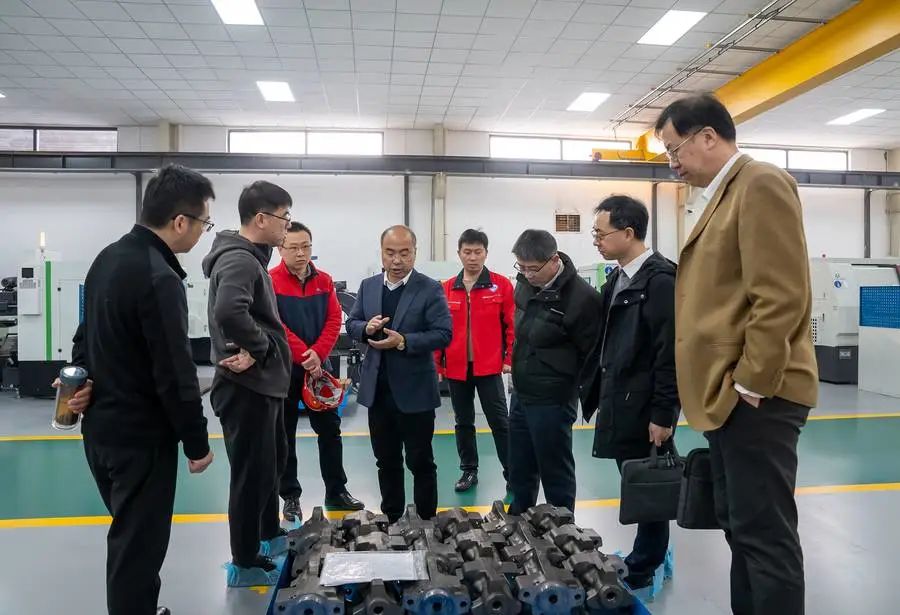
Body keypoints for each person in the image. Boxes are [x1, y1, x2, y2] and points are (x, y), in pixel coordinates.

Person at [655, 93, 818, 615]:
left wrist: (750, 382)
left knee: (765, 535)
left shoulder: (760, 183)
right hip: (729, 396)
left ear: (708, 136)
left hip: (758, 396)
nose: (673, 163)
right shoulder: (720, 196)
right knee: (740, 527)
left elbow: (781, 296)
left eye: (674, 149)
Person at [66, 164, 215, 615]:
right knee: (137, 549)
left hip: (100, 432)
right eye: (204, 223)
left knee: (134, 537)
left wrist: (79, 378)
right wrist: (196, 441)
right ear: (180, 222)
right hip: (140, 439)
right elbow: (175, 371)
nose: (202, 233)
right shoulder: (160, 277)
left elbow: (83, 336)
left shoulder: (107, 258)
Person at [580, 195, 678, 590]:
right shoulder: (618, 279)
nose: (596, 241)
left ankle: (643, 567)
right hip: (619, 397)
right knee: (636, 480)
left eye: (601, 234)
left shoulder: (660, 282)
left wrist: (663, 413)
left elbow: (670, 352)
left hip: (644, 404)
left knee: (648, 486)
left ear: (628, 232)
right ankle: (649, 553)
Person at [202, 180, 293, 587]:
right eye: (284, 217)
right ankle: (244, 560)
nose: (287, 225)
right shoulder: (240, 260)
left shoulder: (251, 258)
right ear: (261, 218)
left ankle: (268, 534)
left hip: (262, 385)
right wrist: (260, 346)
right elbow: (229, 311)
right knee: (250, 476)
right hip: (246, 388)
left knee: (269, 466)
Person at [345, 225, 452, 523]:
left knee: (421, 462)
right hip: (378, 392)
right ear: (381, 253)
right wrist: (365, 328)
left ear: (415, 253)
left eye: (405, 253)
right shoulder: (368, 286)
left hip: (415, 393)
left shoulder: (429, 288)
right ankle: (392, 518)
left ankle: (426, 521)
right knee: (386, 461)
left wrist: (404, 341)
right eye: (390, 253)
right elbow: (351, 324)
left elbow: (443, 333)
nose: (397, 260)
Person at [270, 222, 365, 517]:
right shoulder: (270, 281)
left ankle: (336, 491)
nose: (301, 253)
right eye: (293, 247)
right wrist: (304, 355)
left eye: (306, 247)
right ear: (280, 248)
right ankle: (290, 496)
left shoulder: (324, 280)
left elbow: (335, 319)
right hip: (284, 371)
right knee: (284, 434)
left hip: (319, 370)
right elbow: (275, 325)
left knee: (330, 431)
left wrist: (318, 355)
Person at [507, 229, 602, 515]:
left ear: (554, 260)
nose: (527, 274)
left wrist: (570, 388)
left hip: (553, 400)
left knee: (554, 470)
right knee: (520, 467)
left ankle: (562, 526)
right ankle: (519, 521)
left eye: (533, 268)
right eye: (521, 267)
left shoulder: (582, 299)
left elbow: (592, 355)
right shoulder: (525, 283)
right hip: (521, 394)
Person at [435, 229, 514, 493]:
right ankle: (469, 471)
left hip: (489, 367)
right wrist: (437, 364)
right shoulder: (446, 288)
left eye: (478, 252)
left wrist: (509, 358)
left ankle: (512, 471)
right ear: (459, 254)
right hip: (457, 368)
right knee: (463, 421)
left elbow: (512, 326)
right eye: (467, 252)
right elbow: (439, 330)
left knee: (499, 421)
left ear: (486, 253)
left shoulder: (501, 285)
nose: (472, 257)